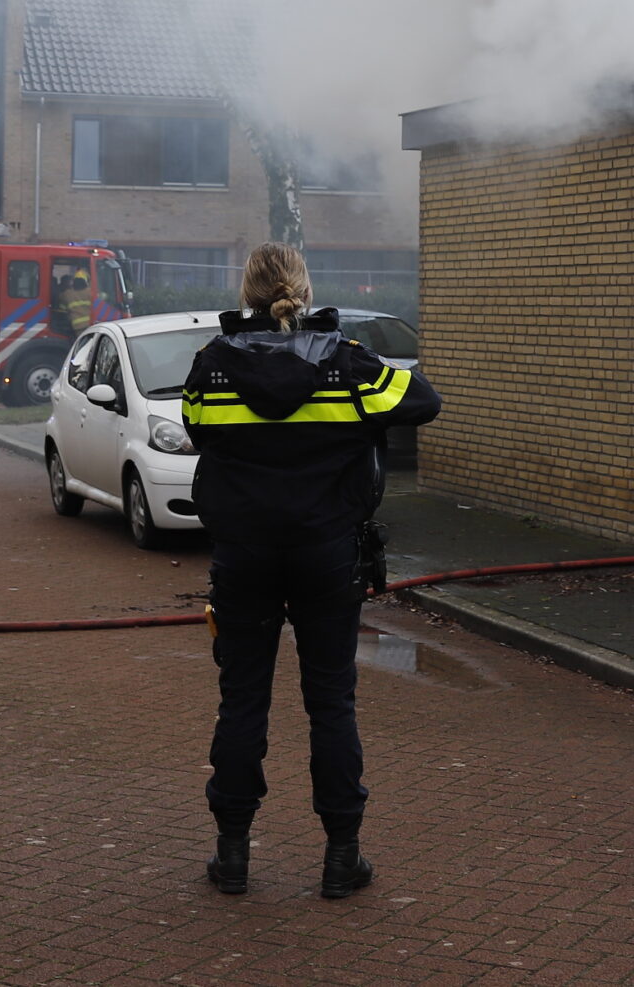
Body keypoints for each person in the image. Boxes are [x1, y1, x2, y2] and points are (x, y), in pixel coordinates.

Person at [180, 242, 441, 899]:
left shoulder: (212, 366)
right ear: (303, 288)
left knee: (242, 699)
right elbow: (426, 401)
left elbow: (197, 430)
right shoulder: (350, 366)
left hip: (243, 556)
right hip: (328, 554)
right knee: (331, 702)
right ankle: (341, 857)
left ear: (247, 294)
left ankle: (233, 856)